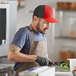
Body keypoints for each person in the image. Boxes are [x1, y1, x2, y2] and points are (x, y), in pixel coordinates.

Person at [8, 5, 59, 76]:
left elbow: (44, 59)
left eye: (50, 23)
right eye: (46, 22)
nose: (48, 27)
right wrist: (35, 58)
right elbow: (11, 55)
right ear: (35, 19)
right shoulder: (24, 32)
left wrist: (54, 63)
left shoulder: (42, 35)